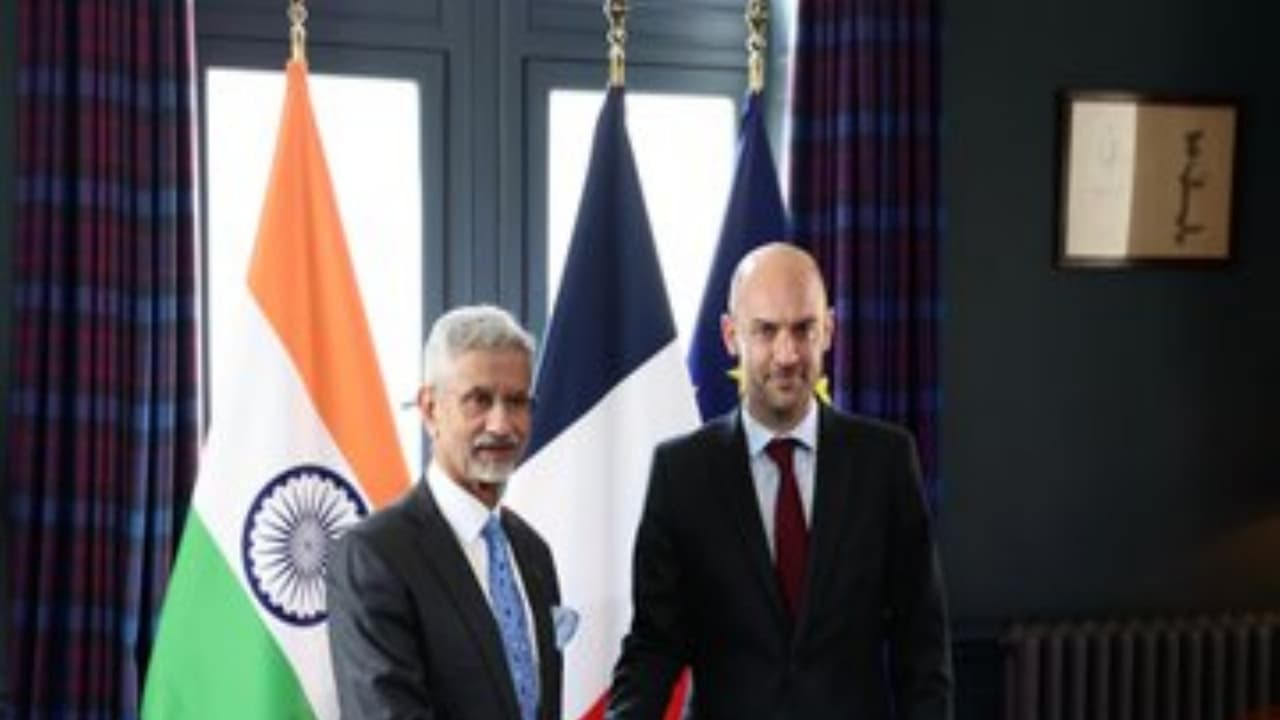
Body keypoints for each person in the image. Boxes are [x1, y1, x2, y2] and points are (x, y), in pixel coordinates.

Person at [607, 243, 952, 719]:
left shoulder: (887, 462)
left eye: (803, 329)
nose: (787, 354)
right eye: (766, 331)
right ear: (732, 336)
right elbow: (653, 647)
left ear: (828, 329)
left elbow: (922, 646)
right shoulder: (681, 473)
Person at [327, 305, 562, 720]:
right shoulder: (374, 556)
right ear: (430, 409)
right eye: (479, 400)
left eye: (517, 401)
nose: (502, 424)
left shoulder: (533, 553)